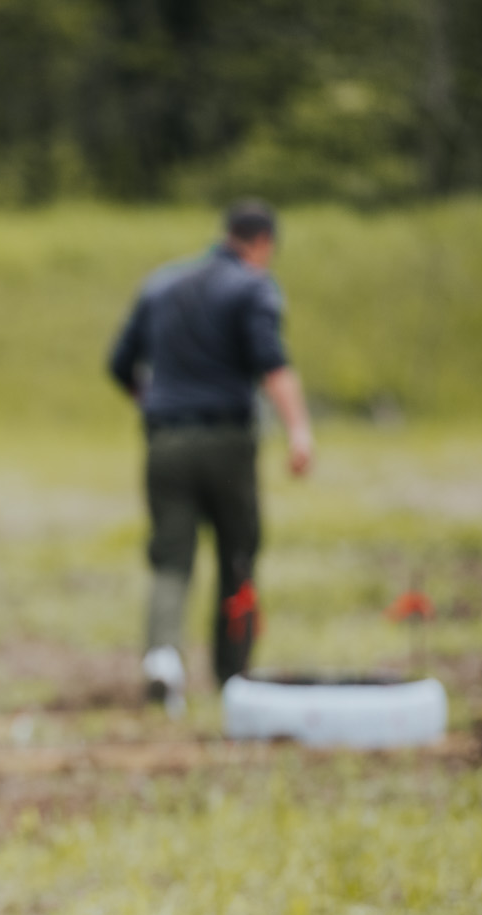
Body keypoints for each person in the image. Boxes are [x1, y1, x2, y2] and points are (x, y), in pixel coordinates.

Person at [106, 198, 314, 713]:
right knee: (238, 555)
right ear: (262, 243)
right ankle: (233, 675)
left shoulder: (161, 284)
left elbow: (120, 364)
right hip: (227, 441)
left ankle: (163, 658)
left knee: (170, 558)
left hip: (164, 441)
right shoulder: (252, 287)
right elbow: (272, 364)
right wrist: (299, 431)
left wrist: (157, 403)